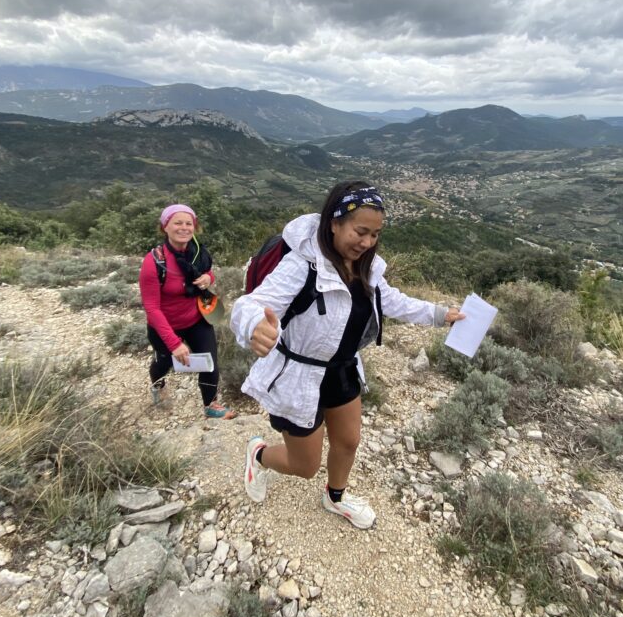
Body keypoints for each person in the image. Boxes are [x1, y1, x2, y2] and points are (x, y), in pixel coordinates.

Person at [230, 181, 464, 528]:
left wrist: (440, 314)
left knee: (349, 441)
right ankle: (259, 455)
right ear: (334, 223)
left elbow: (392, 300)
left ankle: (335, 496)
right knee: (304, 466)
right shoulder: (302, 266)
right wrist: (253, 326)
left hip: (342, 369)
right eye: (360, 231)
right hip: (299, 375)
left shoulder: (367, 267)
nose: (367, 242)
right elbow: (250, 305)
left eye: (375, 234)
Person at [139, 203, 235, 419]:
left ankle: (211, 405)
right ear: (165, 227)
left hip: (196, 319)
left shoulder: (197, 253)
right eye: (177, 223)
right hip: (165, 324)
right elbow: (152, 308)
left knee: (210, 361)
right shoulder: (154, 262)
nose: (184, 228)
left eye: (188, 223)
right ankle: (158, 386)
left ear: (194, 227)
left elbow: (207, 271)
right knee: (163, 362)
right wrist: (174, 343)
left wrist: (208, 278)